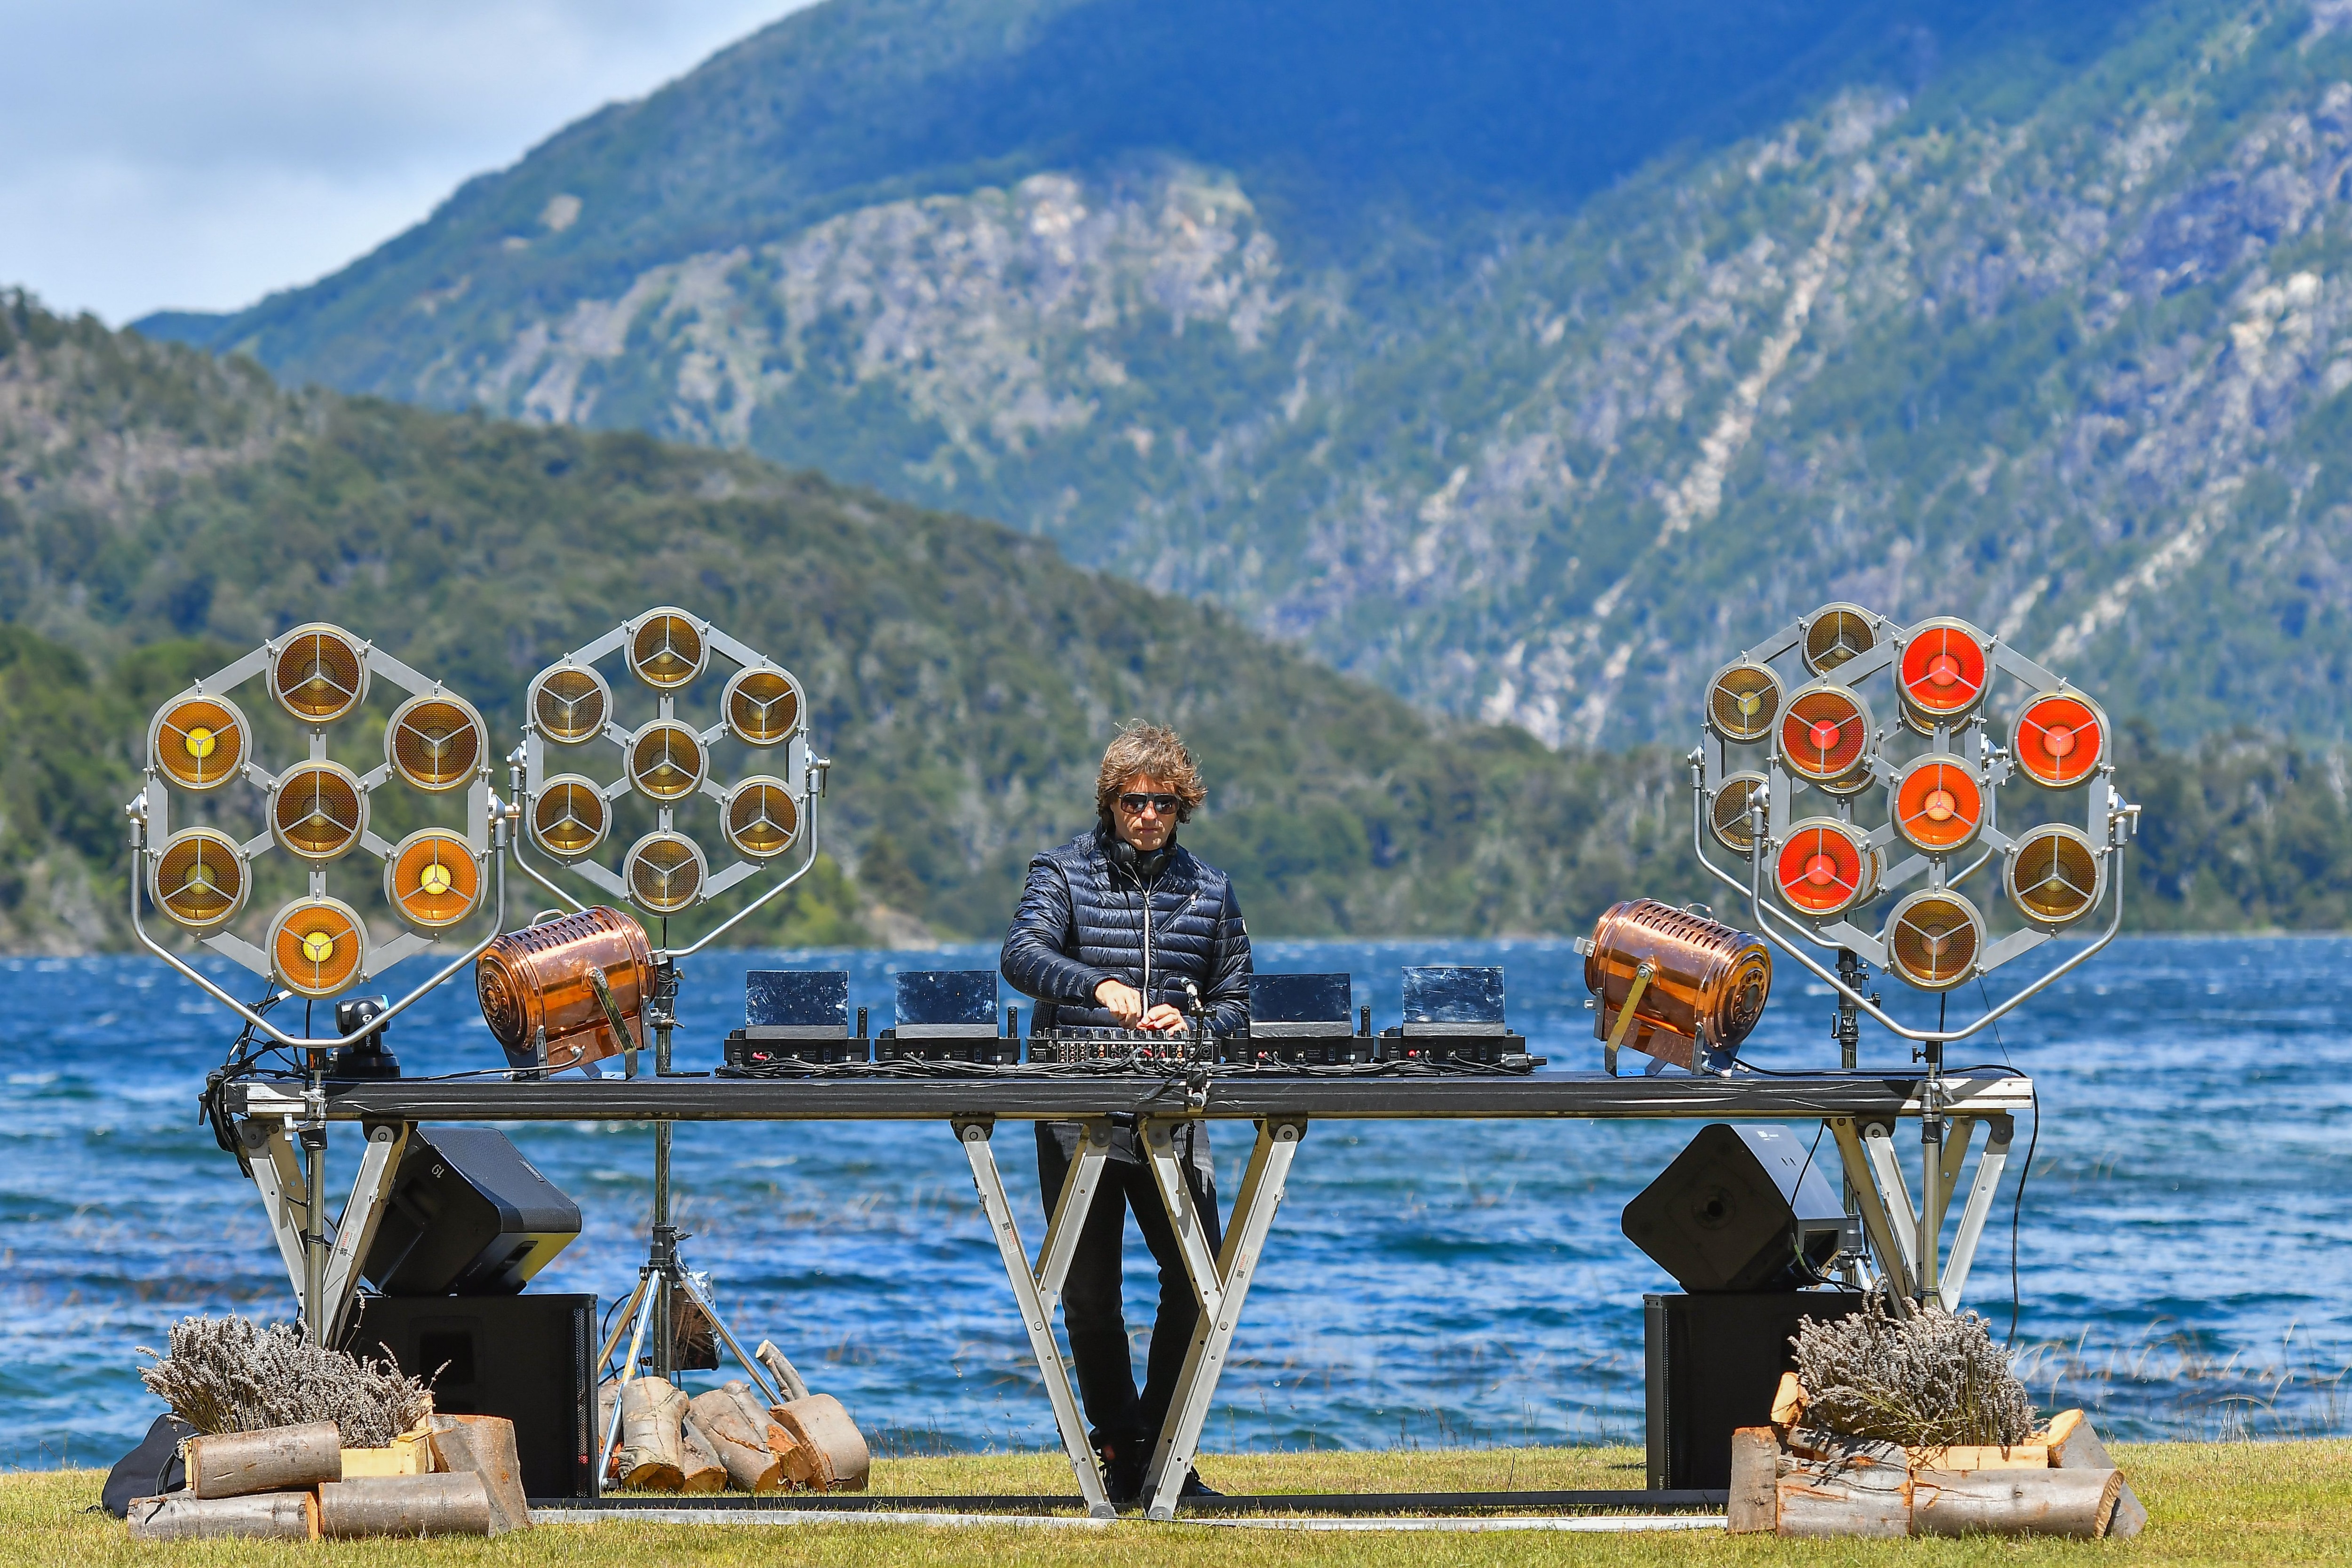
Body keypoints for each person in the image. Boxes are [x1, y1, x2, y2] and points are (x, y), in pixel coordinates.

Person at [999, 722, 1250, 1504]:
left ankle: (1160, 1449)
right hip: (1076, 1108)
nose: (1148, 815)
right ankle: (1124, 1449)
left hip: (1175, 1109)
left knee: (1198, 1280)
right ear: (1110, 802)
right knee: (1088, 1291)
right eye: (1134, 801)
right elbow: (1021, 954)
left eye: (1164, 804)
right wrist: (1097, 987)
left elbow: (1241, 1003)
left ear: (1183, 807)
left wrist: (1198, 1026)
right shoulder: (1062, 872)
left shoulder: (1211, 891)